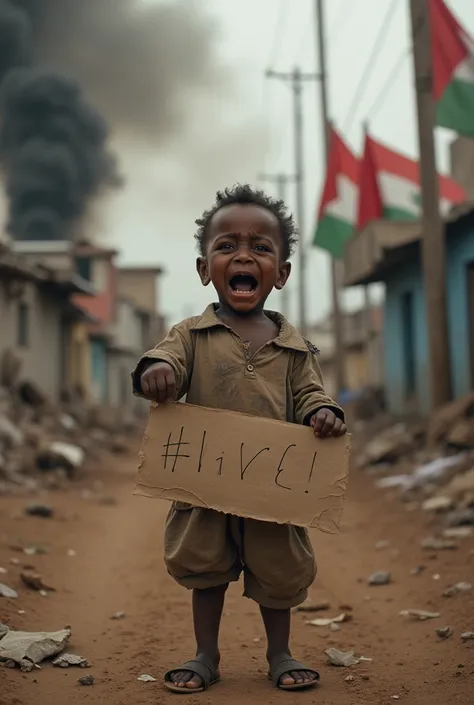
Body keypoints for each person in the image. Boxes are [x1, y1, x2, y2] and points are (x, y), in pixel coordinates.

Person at [132, 184, 346, 693]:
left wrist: (324, 415)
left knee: (280, 574)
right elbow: (166, 365)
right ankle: (206, 655)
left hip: (275, 493)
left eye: (260, 247)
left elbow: (314, 395)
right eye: (226, 245)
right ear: (205, 269)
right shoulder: (189, 335)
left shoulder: (296, 350)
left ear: (282, 273)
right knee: (205, 571)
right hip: (206, 491)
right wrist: (158, 371)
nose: (243, 255)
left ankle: (280, 653)